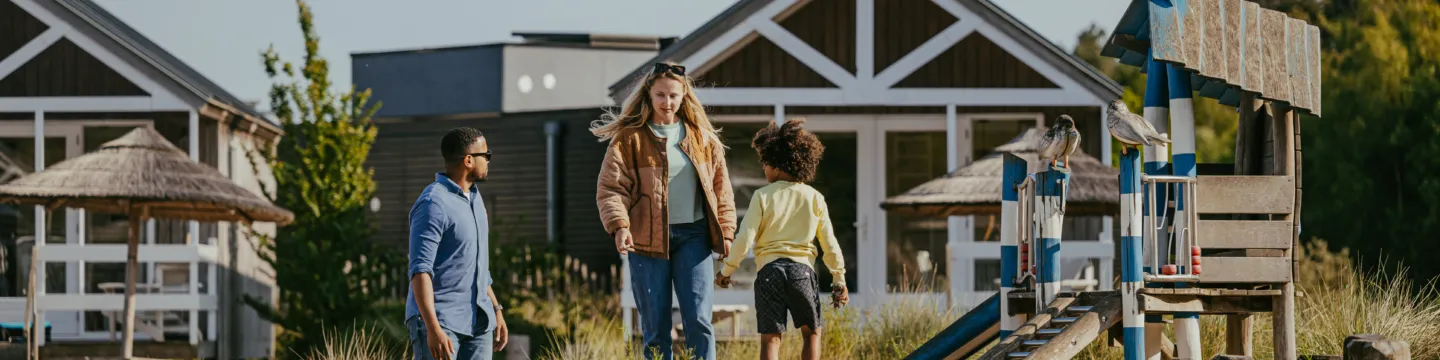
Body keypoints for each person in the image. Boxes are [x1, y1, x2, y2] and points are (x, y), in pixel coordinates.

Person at [593, 62, 737, 360]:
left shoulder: (701, 137)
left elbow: (721, 189)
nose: (667, 102)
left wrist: (727, 233)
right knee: (655, 325)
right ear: (648, 94)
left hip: (695, 237)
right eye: (660, 95)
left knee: (698, 319)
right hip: (646, 240)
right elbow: (611, 189)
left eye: (673, 95)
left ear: (684, 94)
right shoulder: (629, 139)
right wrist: (620, 226)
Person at [716, 118, 849, 360]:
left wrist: (727, 271)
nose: (763, 168)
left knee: (771, 338)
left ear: (776, 165)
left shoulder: (761, 196)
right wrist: (839, 279)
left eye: (764, 163)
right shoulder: (814, 197)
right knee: (811, 333)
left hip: (769, 273)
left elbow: (744, 238)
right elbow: (829, 244)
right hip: (802, 272)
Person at [406, 127, 509, 360]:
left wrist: (496, 309)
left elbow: (477, 265)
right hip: (442, 321)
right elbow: (420, 271)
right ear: (469, 160)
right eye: (486, 155)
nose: (489, 161)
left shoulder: (475, 198)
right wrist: (433, 329)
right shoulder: (433, 203)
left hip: (479, 323)